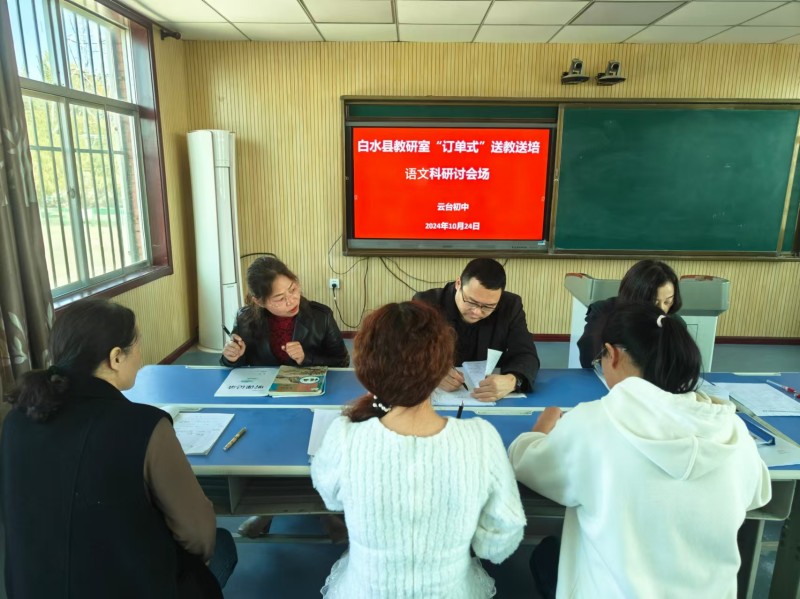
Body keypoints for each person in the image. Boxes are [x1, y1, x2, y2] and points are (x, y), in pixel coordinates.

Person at [509, 302, 771, 599]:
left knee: (546, 555)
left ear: (613, 354)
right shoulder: (731, 428)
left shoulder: (595, 423)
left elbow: (527, 465)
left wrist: (539, 431)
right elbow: (758, 493)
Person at [1, 299, 236, 598]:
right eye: (137, 345)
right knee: (222, 545)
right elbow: (198, 537)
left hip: (33, 587)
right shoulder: (144, 426)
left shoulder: (17, 420)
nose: (140, 355)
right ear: (115, 357)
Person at [311, 301, 526, 598]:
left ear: (366, 368)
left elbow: (333, 500)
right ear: (441, 368)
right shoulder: (481, 439)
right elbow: (498, 541)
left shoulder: (344, 436)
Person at [413, 257, 539, 401]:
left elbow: (526, 353)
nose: (477, 312)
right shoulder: (426, 304)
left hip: (486, 397)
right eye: (471, 302)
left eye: (488, 306)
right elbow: (406, 353)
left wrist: (513, 381)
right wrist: (432, 373)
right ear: (458, 284)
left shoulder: (510, 306)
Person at [221, 256, 349, 368]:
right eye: (280, 298)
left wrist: (305, 358)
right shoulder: (244, 319)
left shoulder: (322, 316)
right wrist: (232, 357)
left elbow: (342, 361)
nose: (291, 301)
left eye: (293, 290)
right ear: (259, 302)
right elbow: (237, 364)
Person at [577, 259, 682, 368]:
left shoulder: (674, 323)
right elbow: (589, 359)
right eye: (654, 302)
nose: (661, 310)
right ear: (634, 298)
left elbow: (681, 365)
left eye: (667, 302)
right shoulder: (604, 313)